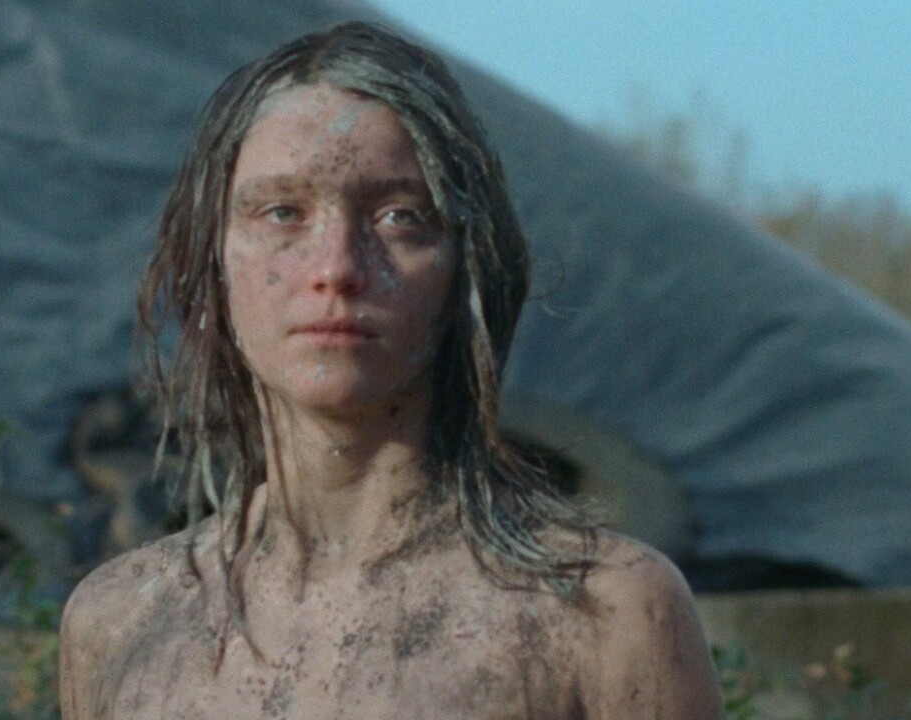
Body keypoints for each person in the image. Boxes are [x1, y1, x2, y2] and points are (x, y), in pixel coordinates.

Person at [60, 21, 722, 719]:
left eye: (400, 216)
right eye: (283, 213)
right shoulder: (120, 624)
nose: (337, 267)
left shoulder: (604, 615)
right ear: (213, 262)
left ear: (466, 265)